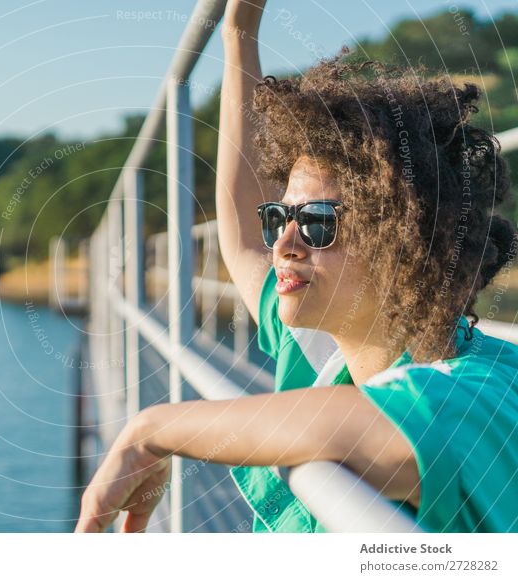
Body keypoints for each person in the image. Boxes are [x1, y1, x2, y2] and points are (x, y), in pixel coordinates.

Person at [75, 0, 518, 533]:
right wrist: (238, 31)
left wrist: (150, 429)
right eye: (279, 217)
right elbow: (239, 236)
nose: (283, 242)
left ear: (404, 241)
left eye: (317, 222)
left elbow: (398, 433)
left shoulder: (489, 392)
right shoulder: (323, 346)